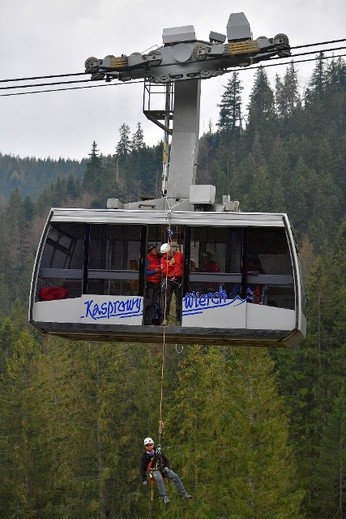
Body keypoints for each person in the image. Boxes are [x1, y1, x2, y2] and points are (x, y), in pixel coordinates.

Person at [141, 437, 192, 504]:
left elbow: (165, 460)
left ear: (153, 444)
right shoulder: (145, 456)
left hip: (163, 468)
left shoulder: (158, 451)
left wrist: (167, 467)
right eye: (147, 445)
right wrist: (144, 479)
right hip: (154, 470)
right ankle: (164, 497)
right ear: (145, 446)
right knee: (159, 479)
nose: (149, 446)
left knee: (175, 477)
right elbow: (142, 468)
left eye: (151, 445)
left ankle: (184, 494)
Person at [160, 243, 183, 325]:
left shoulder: (179, 255)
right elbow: (164, 272)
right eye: (164, 254)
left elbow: (184, 263)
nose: (165, 255)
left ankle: (179, 319)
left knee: (179, 301)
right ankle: (165, 319)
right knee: (167, 300)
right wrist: (170, 264)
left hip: (178, 280)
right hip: (169, 281)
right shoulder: (163, 259)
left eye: (166, 253)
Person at [144, 244, 161, 325]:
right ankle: (145, 318)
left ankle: (149, 320)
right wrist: (155, 271)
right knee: (149, 302)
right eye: (153, 249)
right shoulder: (148, 259)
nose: (155, 251)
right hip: (150, 283)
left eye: (155, 249)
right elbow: (146, 272)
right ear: (150, 251)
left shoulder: (158, 259)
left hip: (157, 284)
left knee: (154, 303)